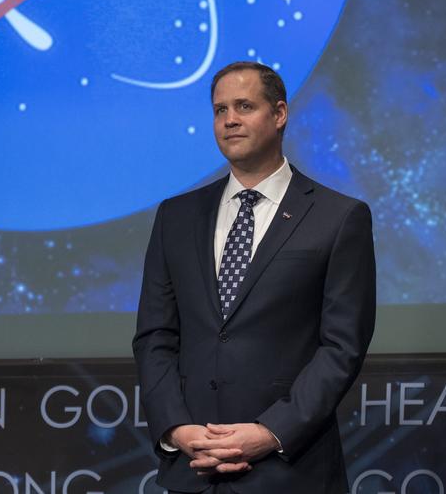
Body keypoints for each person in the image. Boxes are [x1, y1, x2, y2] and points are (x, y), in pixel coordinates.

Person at [133, 61, 376, 493]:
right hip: (194, 469)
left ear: (279, 114)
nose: (229, 119)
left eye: (244, 106)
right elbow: (155, 335)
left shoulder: (339, 218)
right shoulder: (176, 217)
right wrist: (176, 429)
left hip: (290, 470)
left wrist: (270, 432)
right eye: (219, 109)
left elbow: (342, 347)